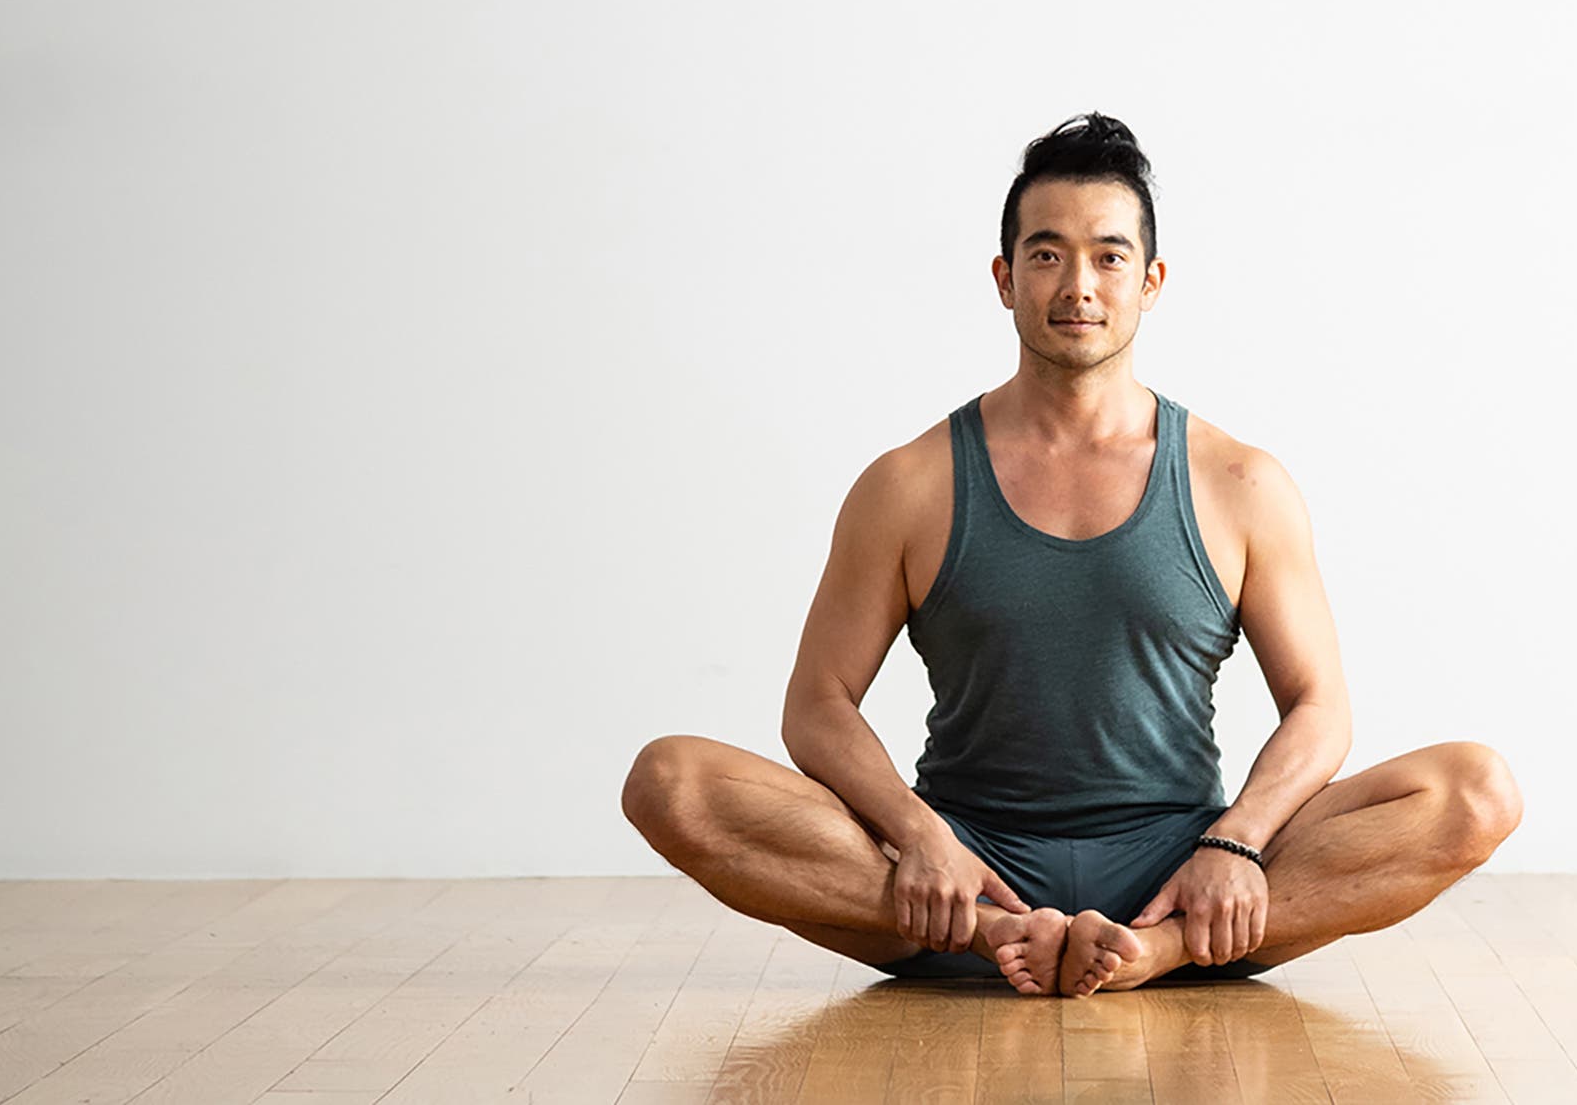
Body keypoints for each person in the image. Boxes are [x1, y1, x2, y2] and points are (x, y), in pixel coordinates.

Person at [622, 112, 1523, 997]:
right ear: (1004, 278)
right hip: (961, 871)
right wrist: (922, 836)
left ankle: (1157, 951)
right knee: (671, 780)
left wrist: (1235, 843)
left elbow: (1320, 707)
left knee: (1475, 791)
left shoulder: (1239, 482)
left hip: (1181, 868)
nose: (1078, 285)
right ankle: (998, 939)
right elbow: (817, 705)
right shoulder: (908, 485)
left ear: (1152, 281)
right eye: (1047, 254)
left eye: (1109, 255)